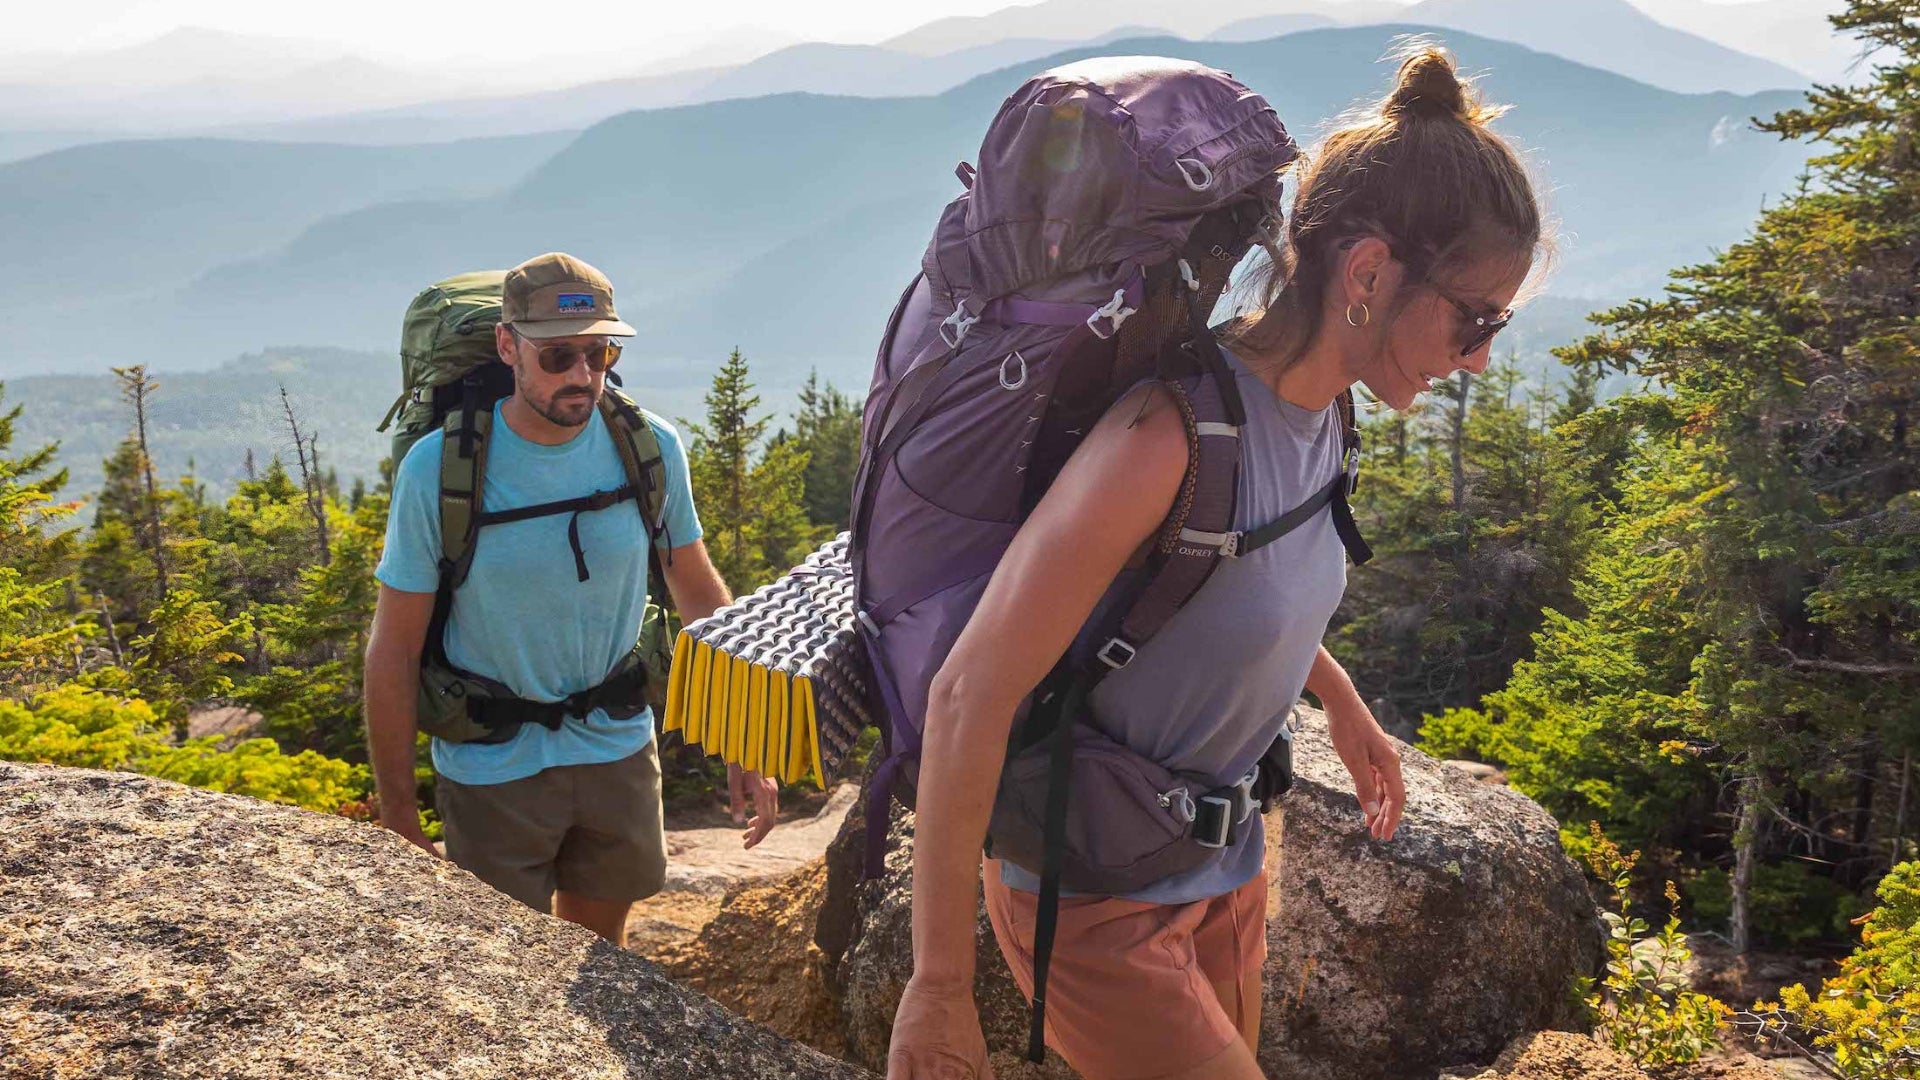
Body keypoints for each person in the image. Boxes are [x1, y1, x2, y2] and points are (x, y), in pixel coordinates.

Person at [886, 48, 1544, 1080]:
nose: (1481, 355)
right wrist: (936, 987)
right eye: (1477, 318)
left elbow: (1227, 586)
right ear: (1368, 273)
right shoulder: (1166, 439)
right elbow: (973, 690)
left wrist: (1342, 702)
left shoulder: (1324, 415)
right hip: (1092, 896)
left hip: (1221, 870)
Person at [364, 252, 778, 946]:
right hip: (493, 767)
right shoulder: (440, 469)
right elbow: (393, 648)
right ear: (508, 348)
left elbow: (701, 594)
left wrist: (744, 737)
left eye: (600, 352)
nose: (583, 375)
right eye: (558, 356)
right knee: (510, 980)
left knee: (600, 965)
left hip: (615, 747)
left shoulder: (648, 447)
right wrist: (398, 813)